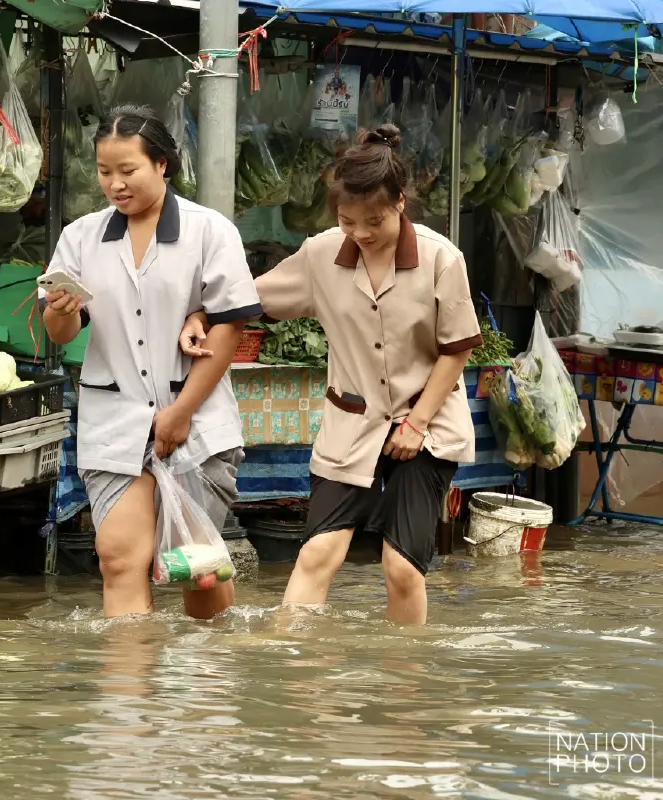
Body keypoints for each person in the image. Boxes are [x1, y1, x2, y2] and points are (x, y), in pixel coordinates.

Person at [180, 124, 481, 625]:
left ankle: (404, 686)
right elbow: (252, 297)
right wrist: (202, 316)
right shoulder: (321, 254)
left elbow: (455, 351)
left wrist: (416, 424)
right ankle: (299, 672)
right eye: (347, 221)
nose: (360, 234)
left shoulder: (440, 259)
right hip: (352, 423)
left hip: (425, 426)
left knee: (401, 569)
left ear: (400, 203)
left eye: (374, 221)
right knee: (318, 554)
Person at [41, 104, 262, 620]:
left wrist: (182, 410)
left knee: (195, 567)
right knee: (118, 559)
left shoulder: (210, 231)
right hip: (115, 419)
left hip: (197, 419)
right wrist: (60, 310)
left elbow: (231, 325)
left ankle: (203, 686)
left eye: (128, 171)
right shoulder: (80, 238)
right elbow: (62, 333)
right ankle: (128, 694)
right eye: (104, 172)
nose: (115, 184)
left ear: (162, 164)